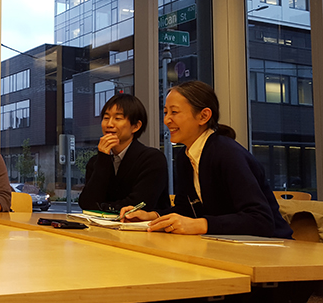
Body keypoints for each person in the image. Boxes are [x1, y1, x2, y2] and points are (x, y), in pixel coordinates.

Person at [121, 81, 292, 238]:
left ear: (203, 116)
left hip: (270, 247)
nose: (166, 120)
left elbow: (260, 220)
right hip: (225, 244)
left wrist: (201, 224)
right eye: (165, 112)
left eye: (174, 112)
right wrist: (153, 216)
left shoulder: (227, 153)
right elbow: (187, 209)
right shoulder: (185, 157)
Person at [78, 94, 169, 213]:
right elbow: (87, 204)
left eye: (118, 118)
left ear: (136, 126)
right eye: (106, 118)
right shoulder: (96, 162)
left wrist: (102, 207)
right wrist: (103, 159)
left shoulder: (152, 159)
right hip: (104, 228)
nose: (109, 124)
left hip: (145, 229)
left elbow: (139, 205)